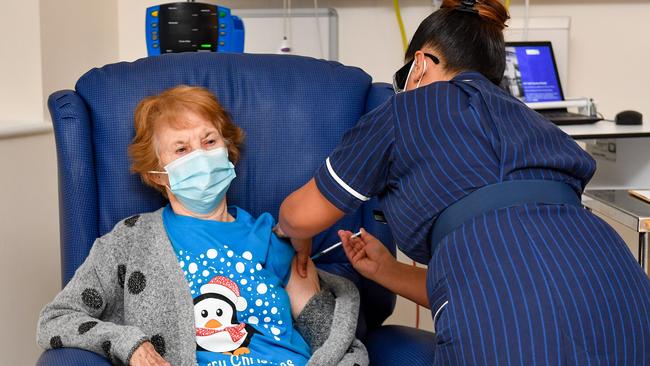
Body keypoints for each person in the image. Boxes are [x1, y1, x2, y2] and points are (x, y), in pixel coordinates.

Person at [276, 1, 650, 365]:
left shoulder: (404, 111)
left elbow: (300, 216)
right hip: (621, 295)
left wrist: (298, 236)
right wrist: (387, 271)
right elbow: (515, 267)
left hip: (515, 330)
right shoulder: (534, 121)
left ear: (419, 64)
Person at [37, 86, 368, 366]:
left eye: (209, 142)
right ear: (156, 174)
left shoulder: (271, 238)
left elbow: (330, 337)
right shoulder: (130, 241)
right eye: (181, 149)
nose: (200, 156)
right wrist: (131, 344)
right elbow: (56, 320)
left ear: (228, 152)